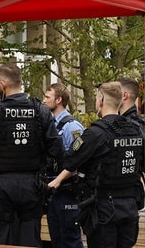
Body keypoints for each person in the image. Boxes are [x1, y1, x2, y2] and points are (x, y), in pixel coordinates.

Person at [0, 63, 63, 247]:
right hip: (32, 185)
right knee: (30, 237)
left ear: (3, 84)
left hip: (2, 185)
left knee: (3, 236)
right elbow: (57, 150)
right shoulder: (40, 110)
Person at [48, 82, 145, 248]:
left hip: (104, 209)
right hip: (130, 208)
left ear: (101, 100)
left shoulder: (96, 133)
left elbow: (71, 160)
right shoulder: (136, 130)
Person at [42, 82, 85, 248]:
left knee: (70, 239)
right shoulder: (51, 125)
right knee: (57, 238)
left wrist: (59, 180)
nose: (44, 101)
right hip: (54, 190)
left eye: (48, 97)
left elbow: (78, 158)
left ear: (58, 100)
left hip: (68, 191)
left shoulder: (71, 126)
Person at [117, 77, 145, 171]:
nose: (111, 96)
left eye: (114, 92)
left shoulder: (134, 125)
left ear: (124, 95)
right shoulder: (128, 121)